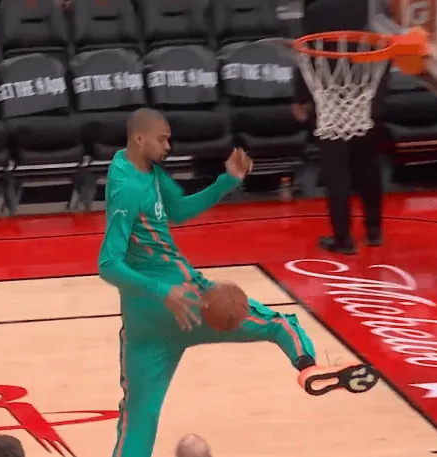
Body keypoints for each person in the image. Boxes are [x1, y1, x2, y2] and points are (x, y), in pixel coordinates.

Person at [98, 107, 379, 457]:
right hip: (188, 302)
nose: (168, 146)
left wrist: (227, 180)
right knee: (278, 324)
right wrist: (163, 291)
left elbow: (179, 210)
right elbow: (107, 264)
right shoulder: (128, 189)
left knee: (138, 417)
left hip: (142, 322)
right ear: (140, 138)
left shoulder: (135, 168)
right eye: (162, 139)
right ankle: (308, 367)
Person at [292, 0, 385, 255]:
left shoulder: (316, 10)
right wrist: (379, 96)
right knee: (369, 166)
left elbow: (306, 52)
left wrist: (300, 97)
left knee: (337, 173)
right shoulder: (373, 6)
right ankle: (374, 230)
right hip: (366, 95)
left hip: (330, 100)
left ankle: (343, 238)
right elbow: (387, 47)